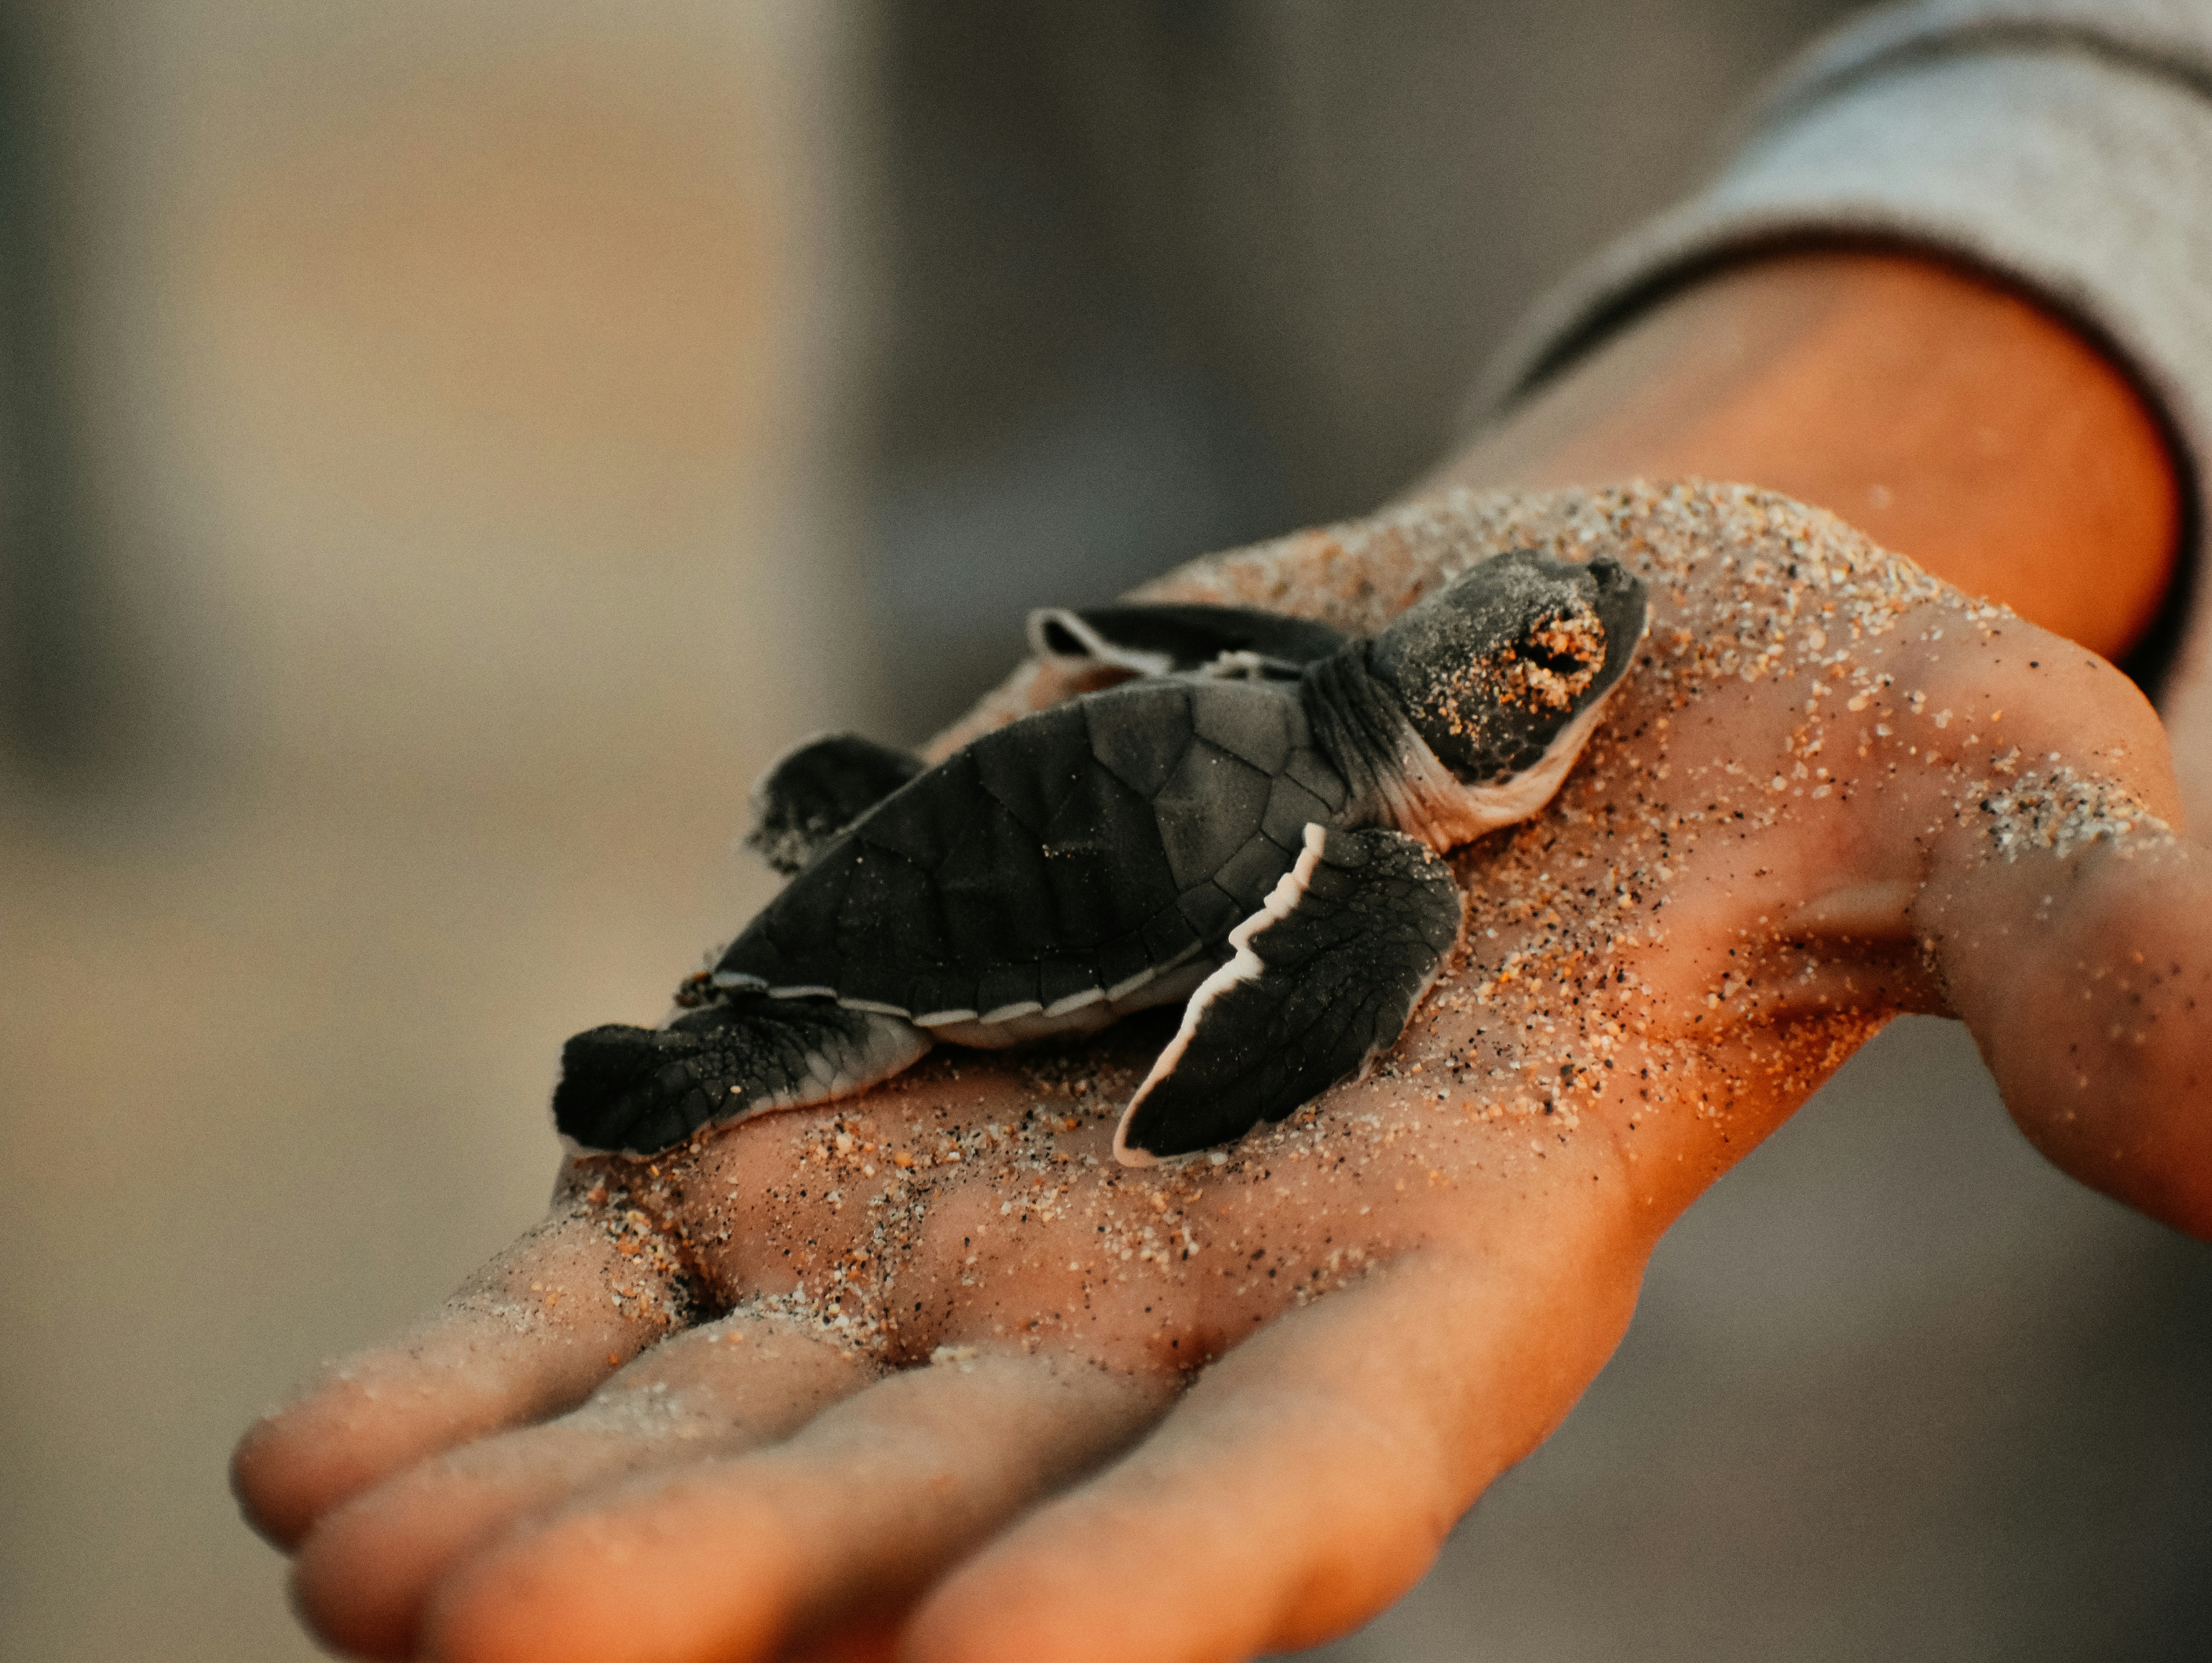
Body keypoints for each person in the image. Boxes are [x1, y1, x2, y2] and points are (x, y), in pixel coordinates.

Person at [232, 3, 2212, 1659]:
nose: (1591, 642)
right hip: (1140, 442)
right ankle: (717, 1048)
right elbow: (1078, 557)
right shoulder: (1373, 873)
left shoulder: (1313, 720)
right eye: (1545, 641)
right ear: (1454, 703)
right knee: (858, 1036)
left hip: (1900, 1470)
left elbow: (1125, 643)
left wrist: (2063, 229)